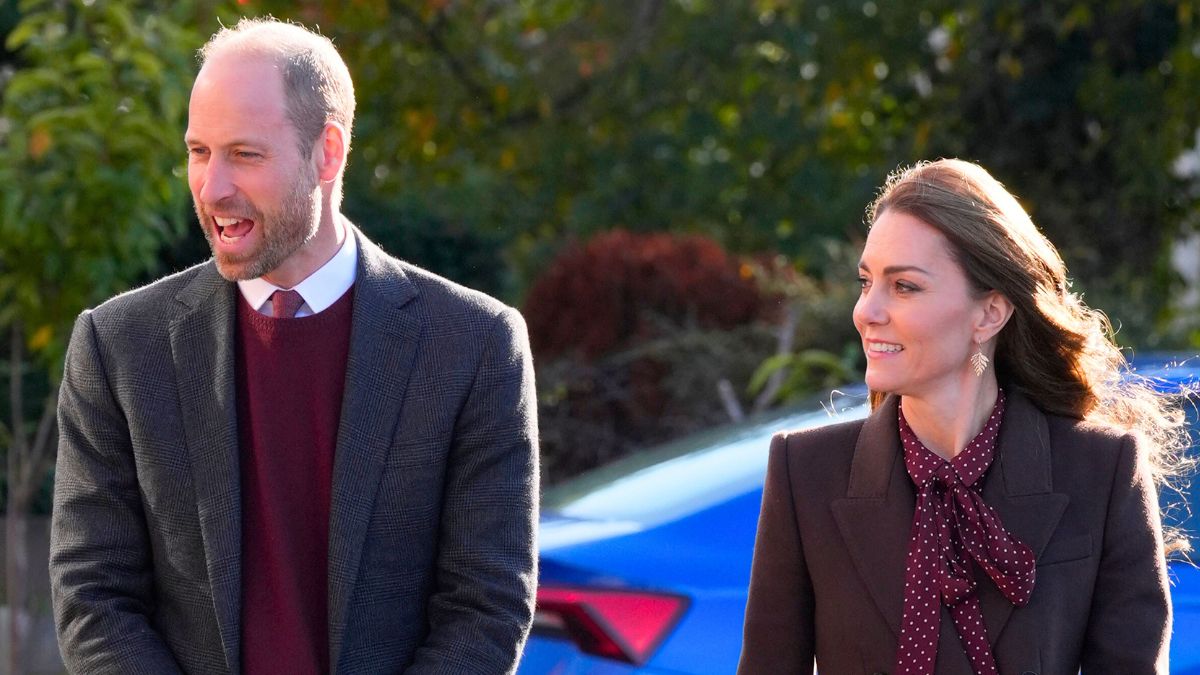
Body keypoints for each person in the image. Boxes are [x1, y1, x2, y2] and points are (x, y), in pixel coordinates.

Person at [50, 17, 538, 675]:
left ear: (328, 152)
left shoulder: (475, 345)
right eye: (198, 151)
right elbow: (94, 599)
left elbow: (487, 607)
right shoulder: (116, 348)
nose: (212, 187)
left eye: (245, 154)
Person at [739, 159, 1185, 674]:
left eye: (903, 286)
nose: (867, 311)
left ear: (989, 313)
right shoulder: (806, 472)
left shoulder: (1101, 470)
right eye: (866, 282)